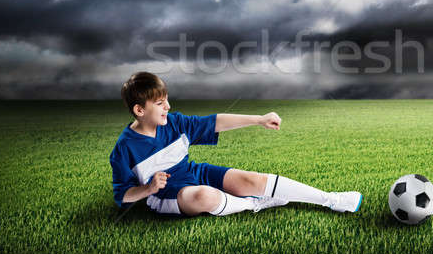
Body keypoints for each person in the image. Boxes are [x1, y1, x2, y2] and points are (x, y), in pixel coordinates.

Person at [110, 71, 363, 217]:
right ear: (139, 110)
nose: (168, 107)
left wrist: (258, 119)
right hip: (167, 195)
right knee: (203, 196)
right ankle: (253, 203)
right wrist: (149, 188)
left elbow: (215, 121)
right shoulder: (124, 149)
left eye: (167, 100)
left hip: (195, 173)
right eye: (160, 103)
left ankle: (330, 199)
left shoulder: (175, 123)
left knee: (251, 180)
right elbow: (123, 196)